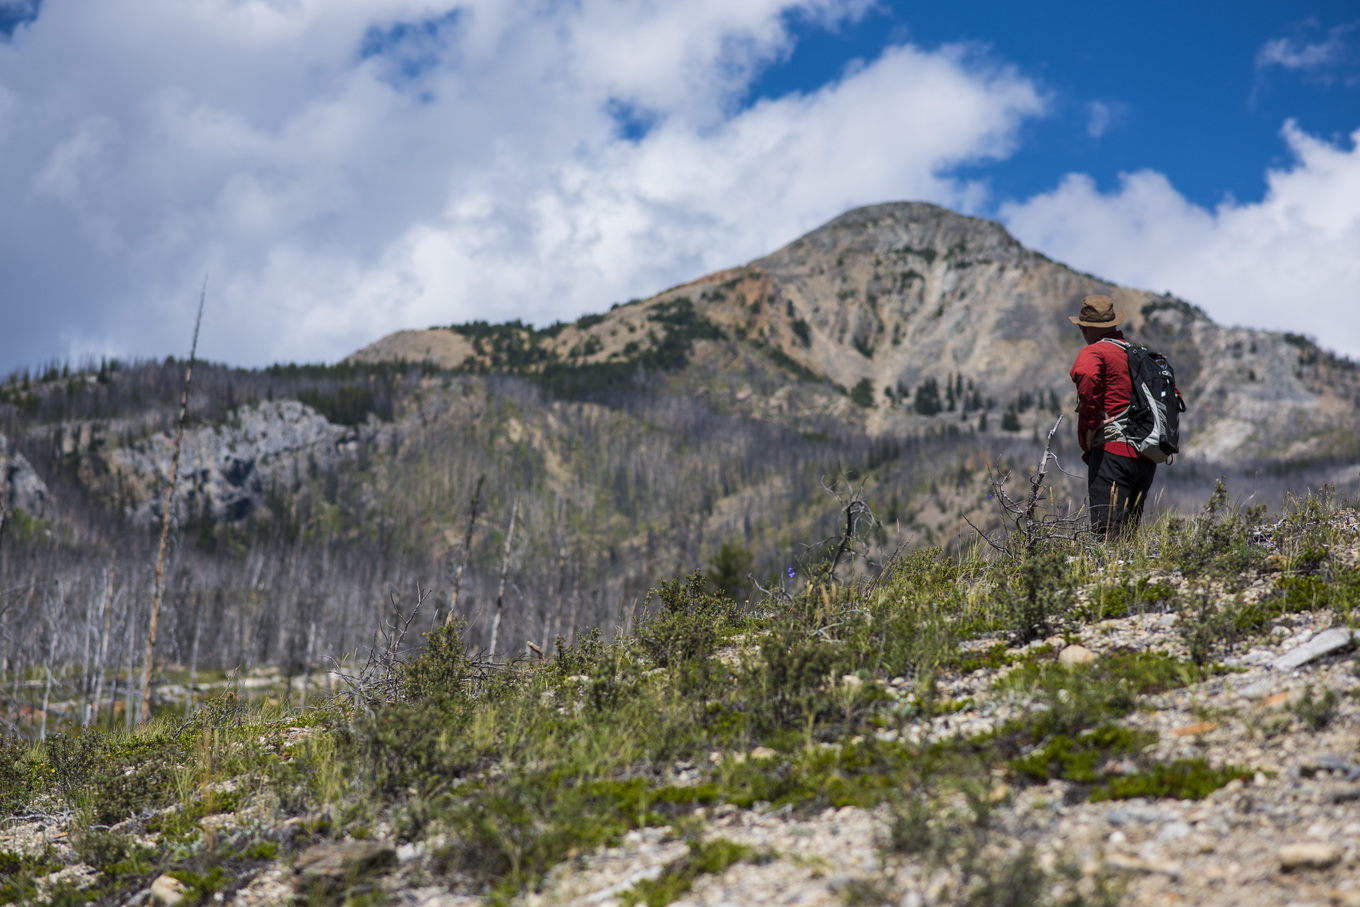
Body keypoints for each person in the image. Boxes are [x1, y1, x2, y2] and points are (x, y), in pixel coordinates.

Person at [1068, 295, 1156, 538]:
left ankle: (1112, 576)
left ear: (1085, 328)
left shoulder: (1094, 352)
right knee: (1128, 533)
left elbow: (1086, 376)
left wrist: (1092, 422)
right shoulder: (1138, 354)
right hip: (1146, 456)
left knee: (1107, 534)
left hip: (1112, 454)